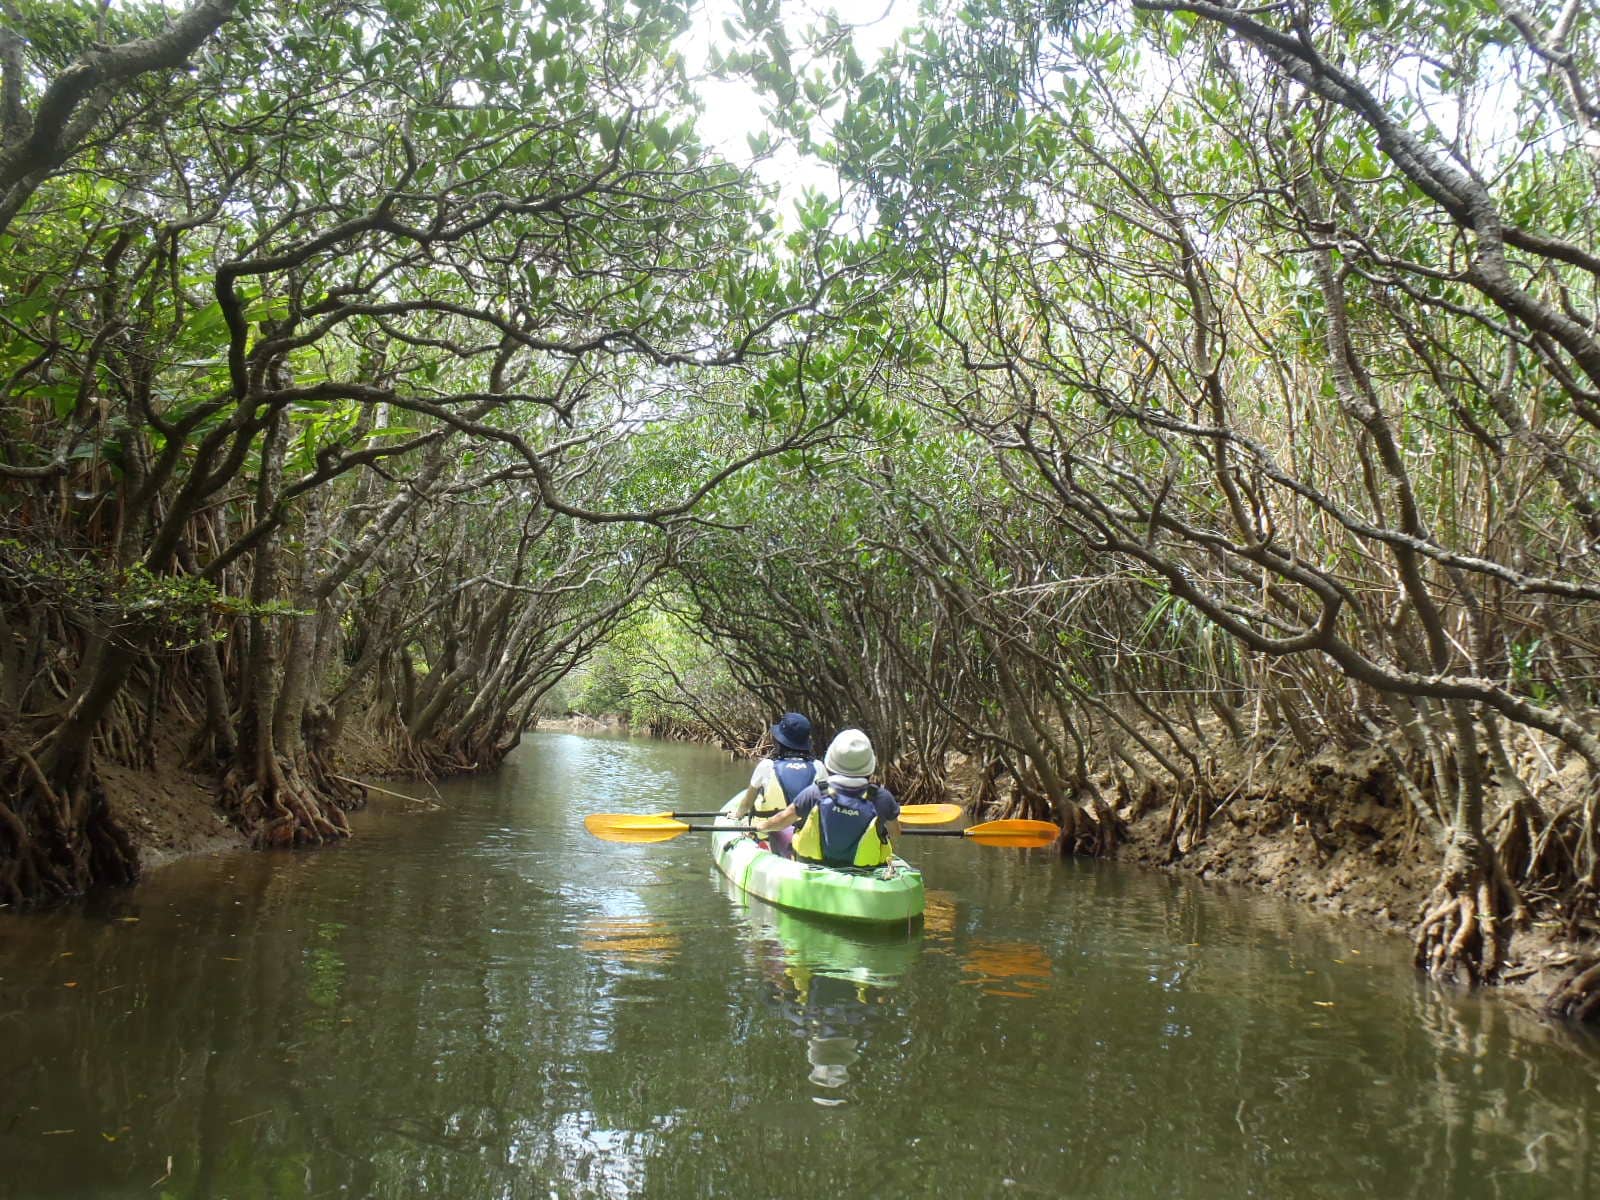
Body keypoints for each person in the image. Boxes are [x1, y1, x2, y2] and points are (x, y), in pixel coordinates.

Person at [757, 728, 902, 869]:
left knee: (779, 833)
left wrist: (762, 827)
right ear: (869, 763)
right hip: (866, 870)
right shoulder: (882, 798)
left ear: (832, 759)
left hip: (816, 866)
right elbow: (895, 833)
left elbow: (783, 820)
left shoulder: (816, 793)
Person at [737, 712, 825, 858]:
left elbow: (746, 804)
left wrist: (737, 816)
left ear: (780, 741)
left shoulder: (766, 766)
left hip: (766, 836)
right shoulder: (819, 767)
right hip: (804, 840)